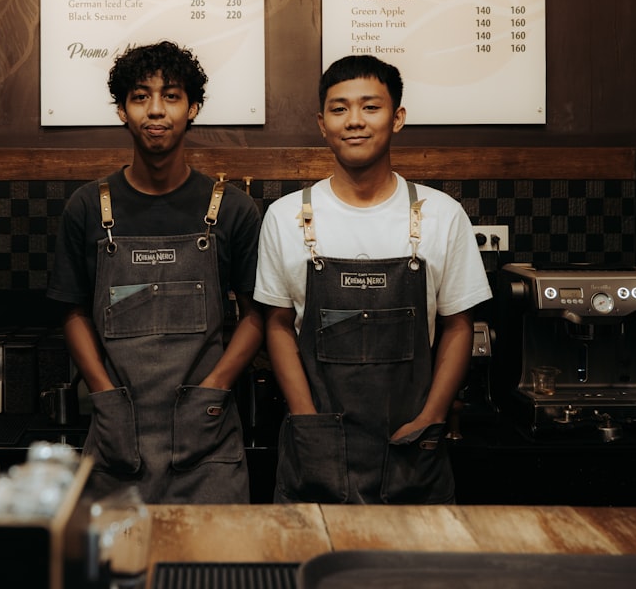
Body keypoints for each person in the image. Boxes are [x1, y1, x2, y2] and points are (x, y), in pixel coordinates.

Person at [253, 54, 492, 504]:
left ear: (397, 117)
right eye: (339, 109)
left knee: (412, 574)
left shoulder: (442, 215)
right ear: (322, 123)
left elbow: (459, 325)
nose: (354, 121)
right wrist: (307, 421)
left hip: (413, 448)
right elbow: (279, 325)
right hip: (316, 449)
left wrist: (433, 417)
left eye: (371, 107)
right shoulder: (285, 217)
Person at [47, 40, 264, 504]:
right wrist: (105, 396)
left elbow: (255, 316)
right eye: (140, 97)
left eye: (171, 96)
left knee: (212, 573)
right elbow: (73, 312)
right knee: (112, 570)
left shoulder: (232, 210)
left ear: (193, 108)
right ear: (123, 111)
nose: (156, 111)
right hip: (116, 439)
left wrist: (216, 387)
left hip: (209, 442)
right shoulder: (88, 206)